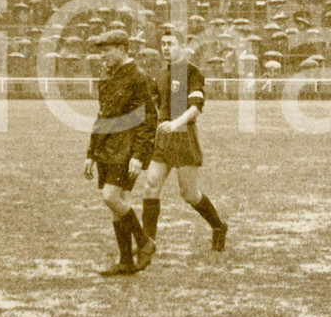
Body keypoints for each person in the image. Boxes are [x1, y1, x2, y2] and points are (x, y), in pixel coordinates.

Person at [140, 31, 228, 255]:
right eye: (163, 44)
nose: (166, 48)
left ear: (182, 47)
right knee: (150, 185)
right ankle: (147, 243)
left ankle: (219, 226)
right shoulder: (159, 75)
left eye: (170, 44)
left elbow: (196, 107)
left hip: (183, 136)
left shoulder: (191, 72)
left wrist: (176, 123)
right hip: (163, 137)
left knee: (188, 194)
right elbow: (156, 108)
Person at [84, 30, 158, 276]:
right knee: (118, 204)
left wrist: (138, 155)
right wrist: (91, 153)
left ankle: (145, 241)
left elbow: (148, 120)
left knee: (110, 197)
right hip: (107, 148)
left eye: (107, 49)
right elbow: (102, 115)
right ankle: (126, 261)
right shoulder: (107, 76)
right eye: (101, 50)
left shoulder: (139, 77)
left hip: (126, 150)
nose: (102, 55)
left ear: (123, 48)